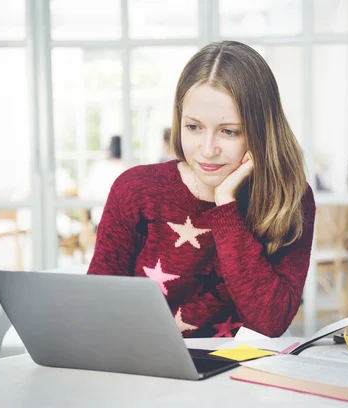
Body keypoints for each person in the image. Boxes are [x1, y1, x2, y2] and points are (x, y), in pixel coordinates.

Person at [87, 41, 316, 338]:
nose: (207, 150)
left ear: (261, 131)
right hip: (146, 371)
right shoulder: (135, 190)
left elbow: (271, 323)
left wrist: (225, 207)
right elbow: (96, 307)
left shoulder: (289, 199)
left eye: (229, 131)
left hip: (240, 377)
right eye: (193, 127)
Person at [81, 135, 126, 226]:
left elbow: (84, 199)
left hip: (100, 224)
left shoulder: (97, 168)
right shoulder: (129, 168)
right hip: (124, 227)